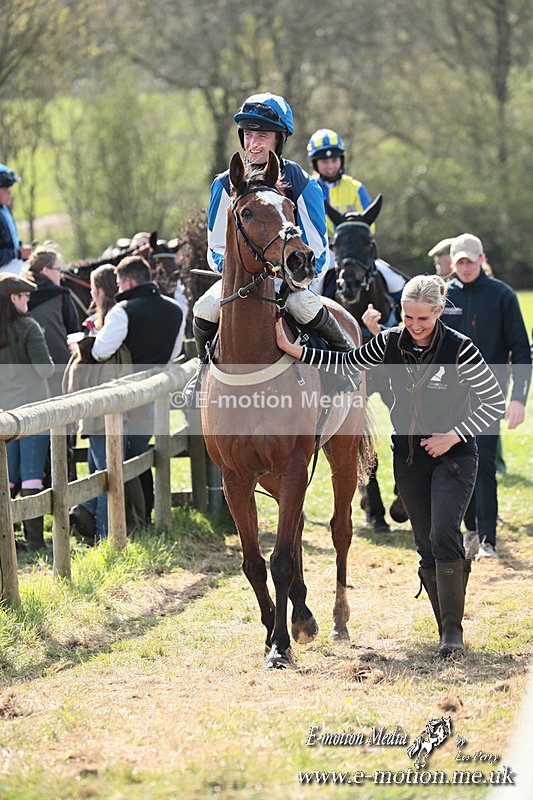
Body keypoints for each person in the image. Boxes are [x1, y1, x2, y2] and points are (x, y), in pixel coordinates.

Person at [276, 274, 506, 657]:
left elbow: (494, 402)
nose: (415, 327)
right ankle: (442, 626)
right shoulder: (388, 342)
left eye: (423, 320)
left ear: (438, 312)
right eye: (408, 318)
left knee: (443, 535)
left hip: (455, 458)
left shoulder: (460, 349)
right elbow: (345, 359)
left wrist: (453, 435)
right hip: (410, 459)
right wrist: (295, 350)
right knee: (423, 544)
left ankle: (453, 632)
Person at [193, 93, 348, 364]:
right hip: (238, 280)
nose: (253, 144)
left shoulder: (303, 183)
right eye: (248, 135)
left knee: (304, 306)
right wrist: (239, 272)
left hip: (288, 281)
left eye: (262, 136)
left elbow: (318, 250)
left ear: (280, 139)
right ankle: (202, 371)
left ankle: (346, 363)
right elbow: (217, 246)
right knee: (205, 307)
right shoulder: (223, 184)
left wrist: (289, 276)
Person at [442, 233, 531, 560]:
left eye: (470, 260)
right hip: (448, 397)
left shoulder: (502, 296)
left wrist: (518, 398)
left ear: (481, 259)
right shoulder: (444, 296)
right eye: (459, 261)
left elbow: (521, 350)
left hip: (490, 395)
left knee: (485, 463)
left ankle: (488, 539)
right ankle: (470, 531)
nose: (465, 267)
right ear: (453, 263)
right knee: (455, 463)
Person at [90, 255, 184, 522]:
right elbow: (173, 353)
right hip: (152, 392)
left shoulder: (123, 310)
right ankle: (143, 517)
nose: (117, 290)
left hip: (123, 394)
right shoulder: (175, 309)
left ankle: (120, 522)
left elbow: (100, 351)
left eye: (118, 284)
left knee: (117, 461)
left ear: (128, 281)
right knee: (140, 456)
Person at [65, 264, 133, 542]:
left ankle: (106, 535)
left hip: (103, 410)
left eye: (93, 289)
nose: (91, 294)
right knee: (98, 470)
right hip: (102, 411)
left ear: (101, 290)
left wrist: (82, 347)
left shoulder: (113, 322)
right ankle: (85, 513)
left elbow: (100, 355)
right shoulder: (103, 321)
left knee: (105, 474)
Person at [306, 128, 406, 314]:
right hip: (322, 252)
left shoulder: (356, 188)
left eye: (334, 160)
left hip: (355, 251)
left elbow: (370, 225)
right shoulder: (308, 187)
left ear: (341, 160)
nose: (330, 166)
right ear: (315, 163)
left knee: (397, 282)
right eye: (324, 161)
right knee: (311, 294)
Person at [0, 273, 54, 549]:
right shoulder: (30, 327)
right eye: (25, 297)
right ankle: (34, 540)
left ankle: (6, 540)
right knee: (32, 474)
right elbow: (45, 368)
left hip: (3, 416)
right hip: (32, 412)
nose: (29, 301)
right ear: (13, 297)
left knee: (7, 479)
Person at [24, 243, 81, 397]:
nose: (61, 275)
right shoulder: (62, 295)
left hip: (29, 373)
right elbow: (74, 333)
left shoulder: (20, 297)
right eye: (58, 270)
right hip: (61, 368)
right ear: (45, 270)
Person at [0, 164, 32, 274]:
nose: (9, 192)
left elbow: (9, 242)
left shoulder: (5, 209)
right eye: (5, 188)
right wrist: (17, 253)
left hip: (11, 265)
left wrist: (21, 247)